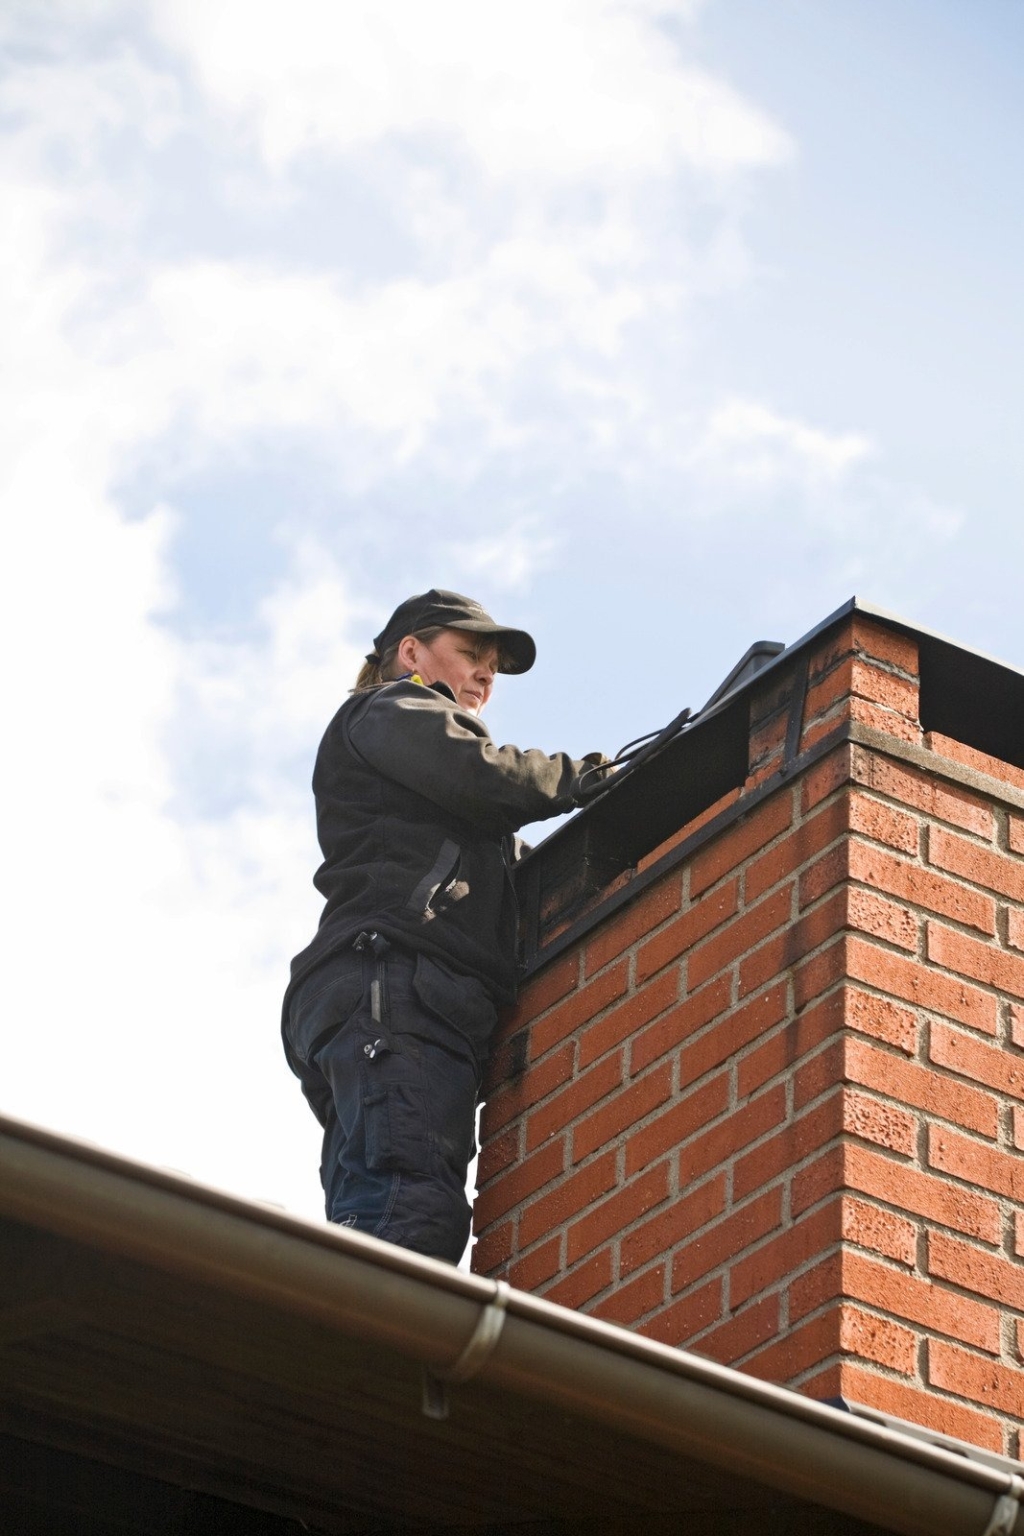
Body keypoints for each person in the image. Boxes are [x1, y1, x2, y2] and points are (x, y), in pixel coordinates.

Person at [282, 589, 604, 1264]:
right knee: (406, 1210)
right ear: (411, 653)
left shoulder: (434, 791)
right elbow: (483, 775)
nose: (486, 675)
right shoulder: (395, 707)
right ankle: (373, 1359)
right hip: (394, 980)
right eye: (471, 654)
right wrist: (592, 777)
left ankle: (348, 1349)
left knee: (374, 1207)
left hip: (376, 990)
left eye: (494, 667)